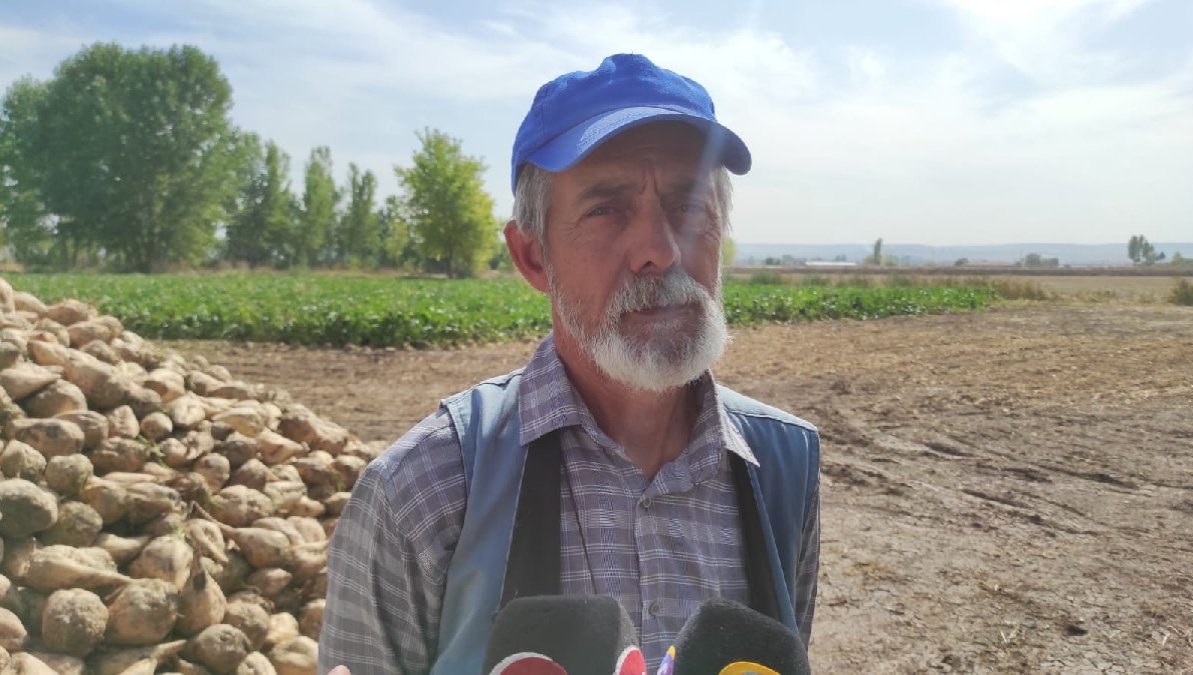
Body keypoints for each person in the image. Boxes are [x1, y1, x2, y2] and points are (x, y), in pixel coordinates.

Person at [318, 53, 821, 675]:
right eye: (607, 209)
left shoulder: (785, 464)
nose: (660, 250)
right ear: (533, 257)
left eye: (689, 205)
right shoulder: (423, 488)